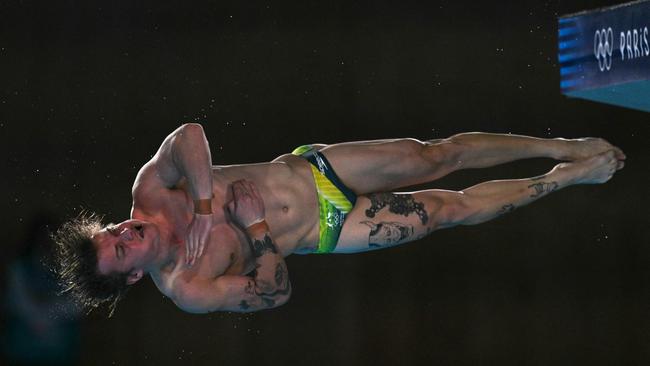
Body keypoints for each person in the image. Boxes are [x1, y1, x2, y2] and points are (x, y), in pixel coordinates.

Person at [53, 123, 626, 315]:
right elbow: (274, 294)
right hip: (326, 231)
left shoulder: (150, 192)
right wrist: (254, 229)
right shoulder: (189, 288)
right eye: (123, 249)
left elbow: (188, 136)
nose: (128, 232)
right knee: (446, 211)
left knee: (436, 155)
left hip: (310, 173)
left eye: (114, 230)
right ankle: (563, 178)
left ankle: (561, 145)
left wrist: (204, 203)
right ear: (133, 275)